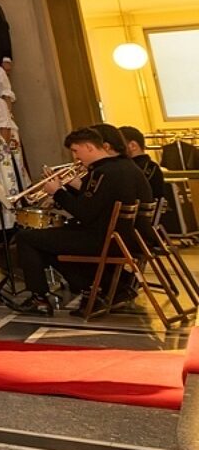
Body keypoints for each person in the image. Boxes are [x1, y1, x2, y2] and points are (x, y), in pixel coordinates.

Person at [12, 127, 151, 315]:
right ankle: (106, 286)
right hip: (122, 237)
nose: (76, 157)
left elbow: (84, 213)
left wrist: (58, 192)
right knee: (48, 241)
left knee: (26, 238)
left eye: (76, 151)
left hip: (105, 240)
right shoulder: (125, 167)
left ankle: (41, 299)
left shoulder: (102, 172)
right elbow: (96, 203)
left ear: (89, 147)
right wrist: (74, 187)